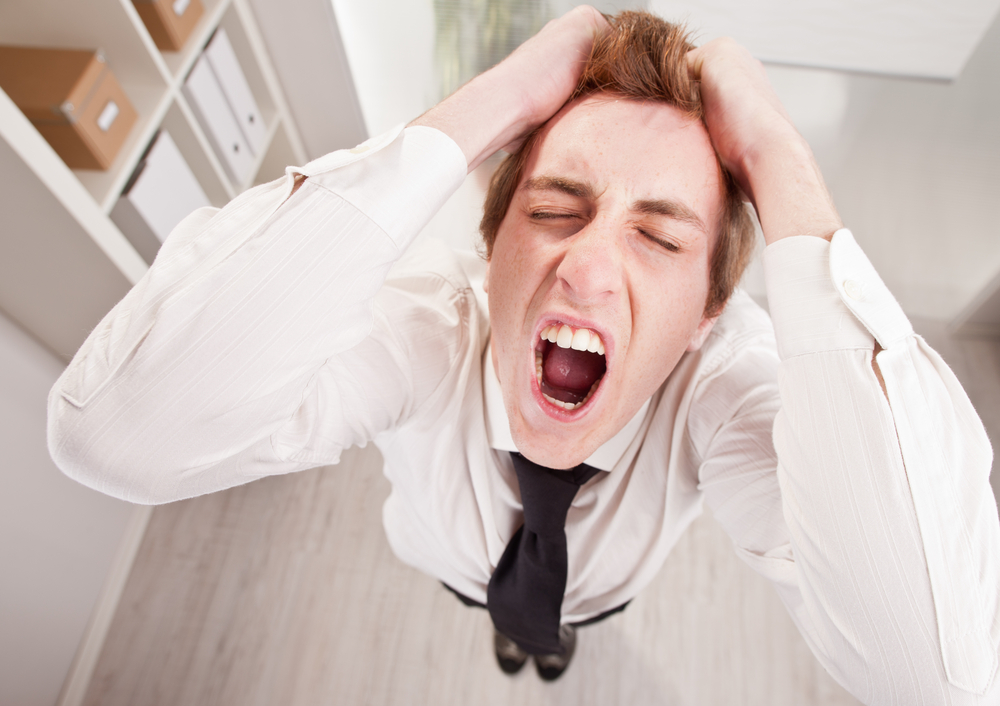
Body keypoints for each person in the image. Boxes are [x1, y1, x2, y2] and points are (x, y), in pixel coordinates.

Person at [47, 6, 1000, 702]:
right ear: (489, 249)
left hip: (604, 594)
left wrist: (782, 161)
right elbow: (114, 437)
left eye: (660, 239)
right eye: (551, 211)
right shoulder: (435, 328)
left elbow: (937, 675)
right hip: (446, 564)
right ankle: (520, 643)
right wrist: (498, 98)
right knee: (497, 619)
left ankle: (550, 646)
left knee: (563, 631)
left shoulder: (725, 386)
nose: (586, 269)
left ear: (711, 311)